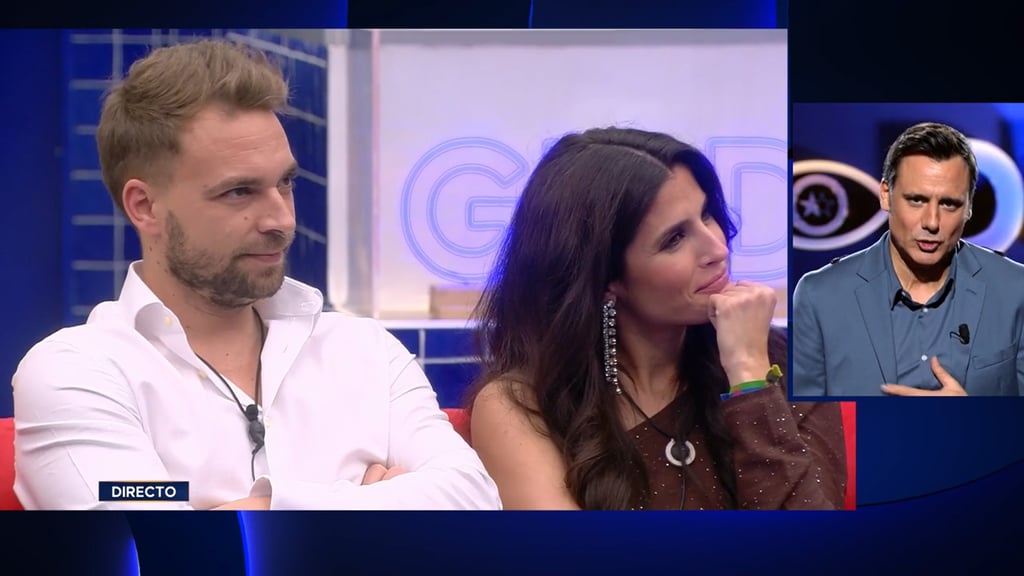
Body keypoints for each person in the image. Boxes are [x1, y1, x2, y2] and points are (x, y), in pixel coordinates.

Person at [11, 39, 501, 510]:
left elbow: (473, 500)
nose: (281, 220)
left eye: (284, 183)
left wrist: (260, 509)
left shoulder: (366, 352)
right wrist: (369, 505)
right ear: (145, 206)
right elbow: (155, 545)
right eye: (239, 192)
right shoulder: (79, 373)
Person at [466, 127, 847, 510]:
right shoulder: (521, 405)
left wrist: (748, 375)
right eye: (674, 239)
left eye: (707, 214)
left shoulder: (791, 364)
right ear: (604, 279)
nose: (717, 249)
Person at [792, 122, 1024, 397]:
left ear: (969, 206)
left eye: (949, 203)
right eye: (916, 200)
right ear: (886, 196)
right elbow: (804, 421)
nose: (932, 222)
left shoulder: (1015, 290)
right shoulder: (820, 296)